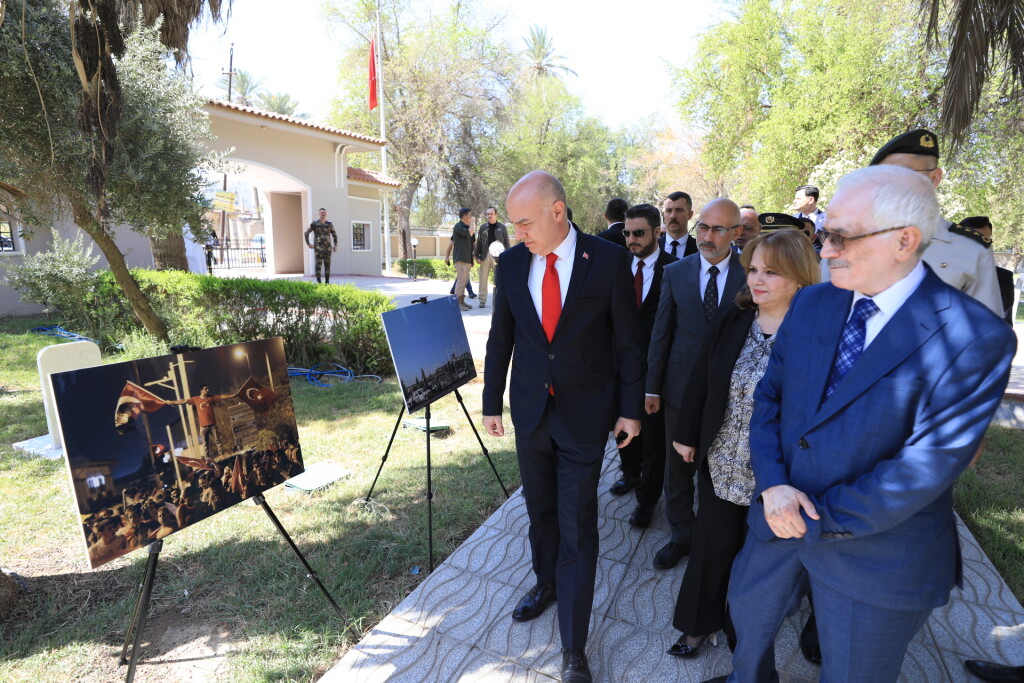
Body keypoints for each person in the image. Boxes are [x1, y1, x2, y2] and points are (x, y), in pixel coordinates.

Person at [713, 165, 1015, 683]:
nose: (825, 250)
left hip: (875, 555)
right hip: (774, 521)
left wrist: (807, 517)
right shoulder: (812, 302)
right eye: (825, 231)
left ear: (905, 240)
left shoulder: (974, 337)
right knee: (748, 635)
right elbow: (770, 399)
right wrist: (775, 486)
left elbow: (925, 468)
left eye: (839, 236)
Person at [482, 171, 644, 683]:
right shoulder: (511, 264)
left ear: (557, 212)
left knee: (578, 522)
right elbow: (500, 338)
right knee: (540, 510)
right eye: (513, 225)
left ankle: (574, 646)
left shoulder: (610, 259)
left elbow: (628, 344)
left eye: (524, 222)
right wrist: (491, 403)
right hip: (530, 410)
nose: (517, 233)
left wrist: (631, 408)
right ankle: (546, 582)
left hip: (584, 414)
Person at [666, 230, 820, 658]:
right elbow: (702, 377)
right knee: (710, 547)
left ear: (800, 277)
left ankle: (744, 641)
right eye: (753, 269)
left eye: (771, 272)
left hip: (776, 475)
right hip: (722, 458)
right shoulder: (734, 318)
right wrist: (687, 434)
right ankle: (697, 626)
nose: (757, 280)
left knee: (755, 567)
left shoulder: (813, 335)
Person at [646, 199, 746, 570]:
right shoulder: (677, 272)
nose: (707, 236)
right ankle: (681, 535)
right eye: (702, 227)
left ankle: (717, 536)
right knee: (677, 468)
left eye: (718, 229)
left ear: (736, 233)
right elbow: (661, 333)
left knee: (719, 464)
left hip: (731, 393)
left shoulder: (750, 274)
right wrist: (652, 388)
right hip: (679, 390)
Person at [612, 203, 679, 523]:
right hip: (620, 369)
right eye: (627, 233)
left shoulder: (676, 270)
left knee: (653, 439)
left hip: (657, 373)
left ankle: (648, 500)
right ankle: (629, 473)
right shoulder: (615, 266)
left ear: (657, 232)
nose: (632, 240)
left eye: (639, 233)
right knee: (623, 426)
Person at [960, 215, 1013, 324]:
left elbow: (1004, 325)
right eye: (972, 240)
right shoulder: (936, 271)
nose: (979, 246)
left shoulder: (1003, 278)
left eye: (984, 240)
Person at [166, 385, 228, 472]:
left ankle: (221, 454)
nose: (207, 390)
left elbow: (221, 396)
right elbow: (183, 401)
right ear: (201, 390)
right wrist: (172, 402)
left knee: (217, 440)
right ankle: (207, 459)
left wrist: (233, 395)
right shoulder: (195, 399)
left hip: (212, 425)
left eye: (207, 389)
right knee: (205, 443)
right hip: (203, 427)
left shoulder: (211, 397)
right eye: (206, 389)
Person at [474, 206, 511, 309]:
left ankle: (498, 300)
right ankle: (482, 300)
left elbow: (506, 242)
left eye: (491, 214)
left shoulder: (502, 227)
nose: (489, 216)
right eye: (488, 214)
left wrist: (508, 257)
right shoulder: (483, 227)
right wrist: (477, 255)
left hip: (498, 257)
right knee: (483, 279)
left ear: (496, 215)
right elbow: (479, 242)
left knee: (499, 280)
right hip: (485, 255)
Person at [446, 208, 476, 312]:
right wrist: (473, 223)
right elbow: (470, 232)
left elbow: (472, 242)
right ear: (464, 216)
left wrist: (473, 258)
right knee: (461, 281)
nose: (471, 217)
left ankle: (462, 301)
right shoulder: (458, 227)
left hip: (467, 259)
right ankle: (458, 303)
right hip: (460, 259)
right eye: (469, 215)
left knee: (464, 281)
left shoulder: (467, 228)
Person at [659, 191, 699, 258]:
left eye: (679, 210)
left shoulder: (700, 250)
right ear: (663, 214)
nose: (673, 216)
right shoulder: (651, 248)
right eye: (669, 211)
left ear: (690, 215)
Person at [304, 208, 338, 284]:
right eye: (321, 212)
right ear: (319, 214)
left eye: (324, 213)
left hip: (327, 248)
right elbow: (306, 232)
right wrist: (308, 243)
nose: (323, 214)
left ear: (326, 214)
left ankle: (327, 282)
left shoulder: (329, 224)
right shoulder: (315, 223)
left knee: (327, 265)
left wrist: (335, 245)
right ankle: (319, 282)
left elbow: (334, 235)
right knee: (318, 266)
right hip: (318, 248)